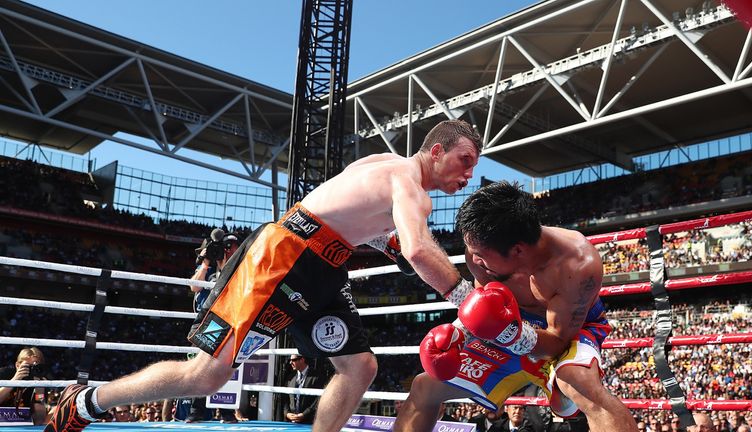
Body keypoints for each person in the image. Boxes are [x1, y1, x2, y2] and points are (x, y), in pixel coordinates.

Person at [45, 119, 482, 432]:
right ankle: (86, 401)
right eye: (464, 160)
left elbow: (349, 214)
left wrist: (386, 241)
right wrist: (467, 299)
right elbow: (418, 248)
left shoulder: (382, 164)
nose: (468, 174)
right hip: (282, 258)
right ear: (436, 150)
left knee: (359, 366)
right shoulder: (408, 185)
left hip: (323, 266)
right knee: (207, 376)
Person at [393, 181, 637, 432]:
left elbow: (557, 340)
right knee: (425, 386)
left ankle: (562, 386)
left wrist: (511, 333)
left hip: (566, 333)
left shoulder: (576, 264)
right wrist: (459, 334)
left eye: (480, 254)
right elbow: (482, 308)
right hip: (507, 326)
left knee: (583, 386)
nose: (474, 259)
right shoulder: (480, 255)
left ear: (518, 250)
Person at [183, 231, 240, 423]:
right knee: (199, 366)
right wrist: (206, 262)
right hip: (205, 320)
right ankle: (196, 410)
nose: (230, 249)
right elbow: (194, 287)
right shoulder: (205, 270)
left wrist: (225, 263)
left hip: (226, 319)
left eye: (232, 246)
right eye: (227, 246)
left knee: (225, 367)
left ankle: (226, 412)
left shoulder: (236, 267)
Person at [0, 347, 49, 425]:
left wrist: (39, 393)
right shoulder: (4, 374)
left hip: (24, 425)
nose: (31, 369)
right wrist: (13, 381)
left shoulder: (40, 381)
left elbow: (38, 420)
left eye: (35, 367)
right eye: (28, 366)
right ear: (17, 365)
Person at [284, 355, 325, 424]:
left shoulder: (317, 376)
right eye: (290, 360)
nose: (290, 362)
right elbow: (285, 398)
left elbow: (318, 399)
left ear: (302, 360)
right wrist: (287, 413)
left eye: (293, 360)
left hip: (309, 422)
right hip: (291, 422)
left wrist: (304, 414)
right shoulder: (290, 377)